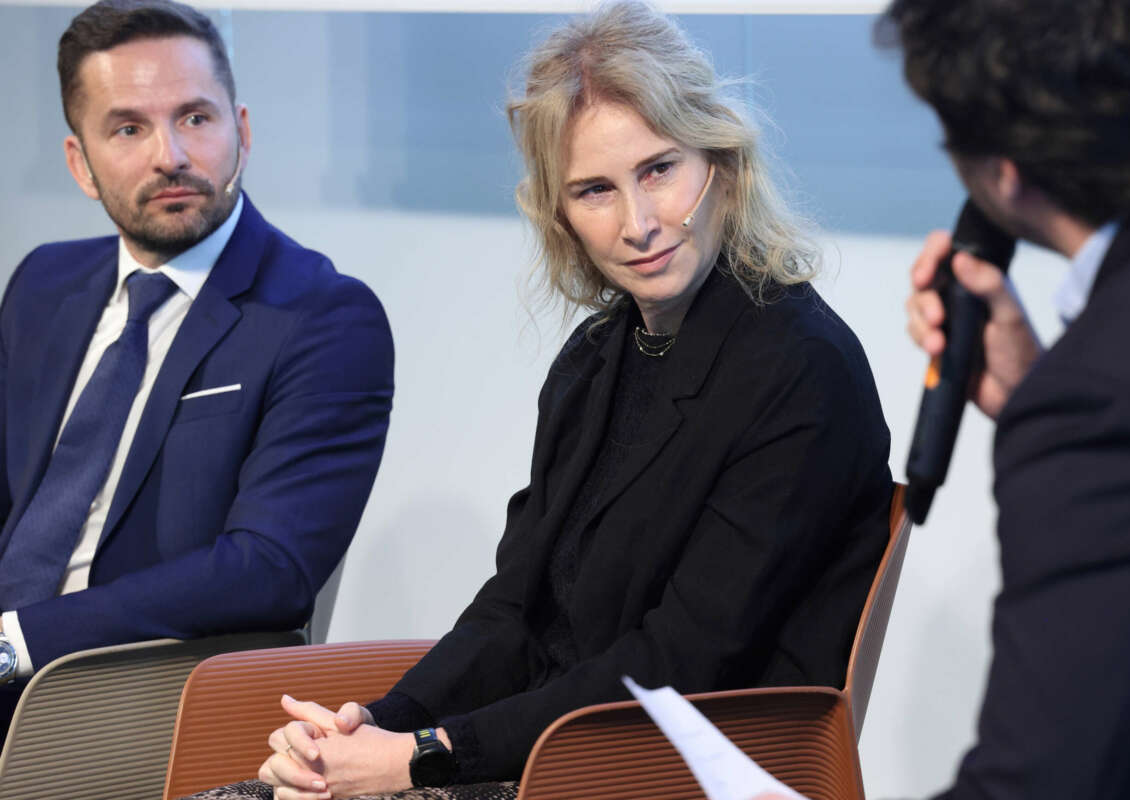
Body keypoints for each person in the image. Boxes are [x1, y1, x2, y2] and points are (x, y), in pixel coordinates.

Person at [191, 3, 891, 799]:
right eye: (595, 190)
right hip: (557, 753)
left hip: (673, 770)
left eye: (660, 169)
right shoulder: (596, 358)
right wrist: (377, 727)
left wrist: (424, 753)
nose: (640, 223)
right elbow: (513, 612)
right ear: (560, 215)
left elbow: (682, 665)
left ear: (720, 167)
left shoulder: (802, 366)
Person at [0, 0, 393, 737]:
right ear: (80, 163)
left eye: (196, 119)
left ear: (240, 132)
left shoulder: (322, 317)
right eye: (128, 128)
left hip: (122, 699)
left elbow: (267, 568)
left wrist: (15, 642)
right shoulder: (42, 286)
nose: (170, 156)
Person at [880, 0, 1130, 796]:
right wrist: (1045, 384)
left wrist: (1074, 399)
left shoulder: (1101, 409)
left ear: (1006, 173)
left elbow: (1044, 782)